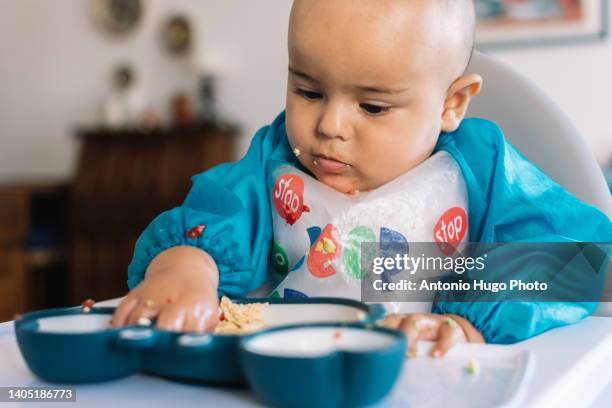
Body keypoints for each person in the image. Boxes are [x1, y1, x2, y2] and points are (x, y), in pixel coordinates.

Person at [112, 0, 612, 357]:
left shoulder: (479, 169)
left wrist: (464, 324)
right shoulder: (274, 160)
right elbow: (215, 217)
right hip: (285, 375)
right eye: (308, 91)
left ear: (451, 104)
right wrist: (186, 266)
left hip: (422, 376)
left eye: (372, 106)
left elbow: (566, 256)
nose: (329, 126)